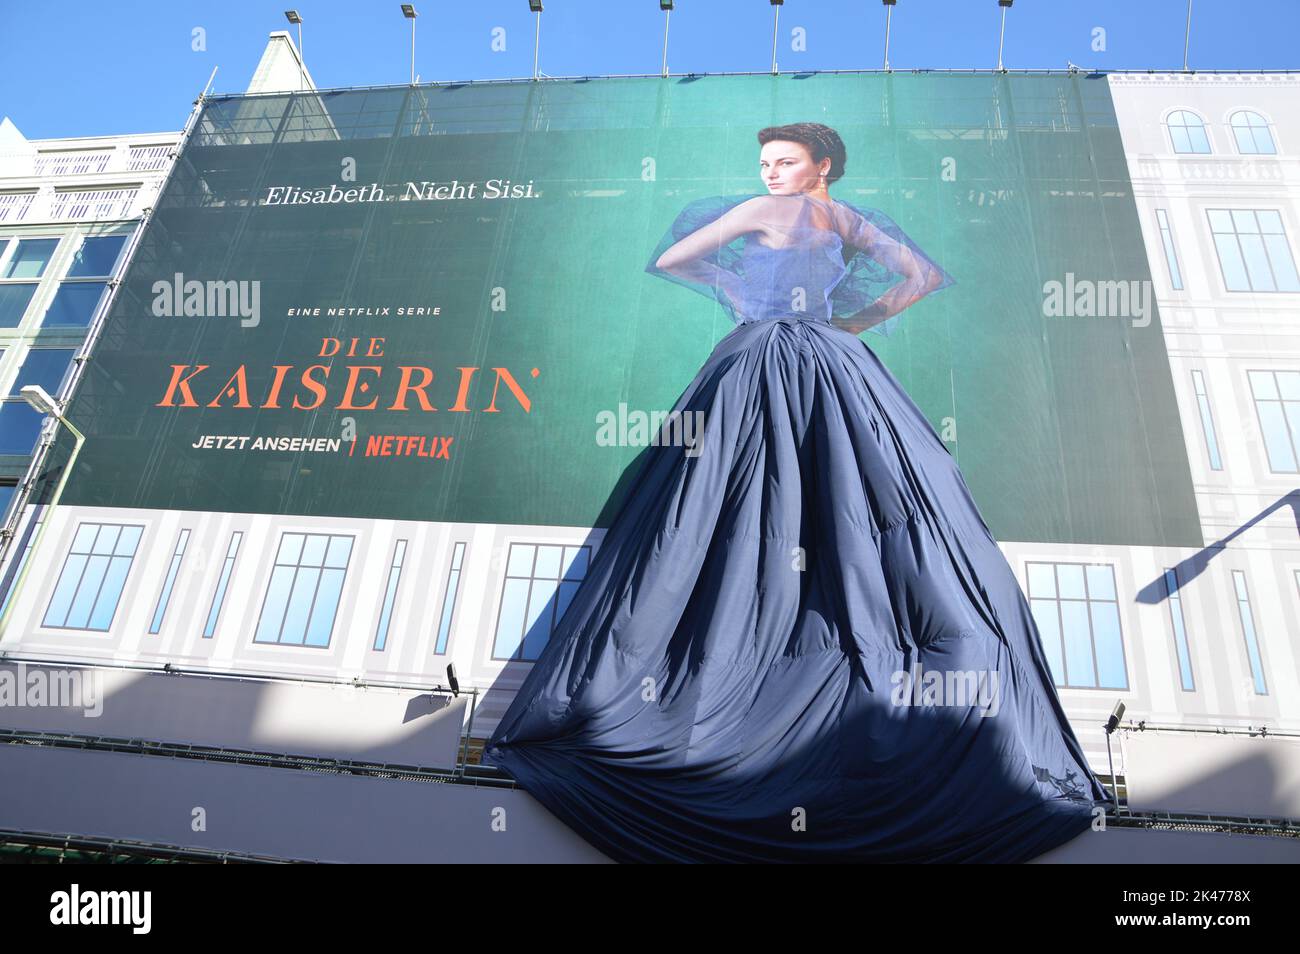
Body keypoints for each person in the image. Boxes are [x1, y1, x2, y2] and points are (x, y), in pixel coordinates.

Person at [482, 122, 1109, 863]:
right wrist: (844, 321)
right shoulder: (838, 220)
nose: (771, 173)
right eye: (764, 164)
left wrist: (744, 290)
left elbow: (676, 257)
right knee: (839, 485)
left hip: (764, 355)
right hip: (833, 356)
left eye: (784, 162)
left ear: (823, 164)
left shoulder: (780, 214)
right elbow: (920, 277)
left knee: (741, 488)